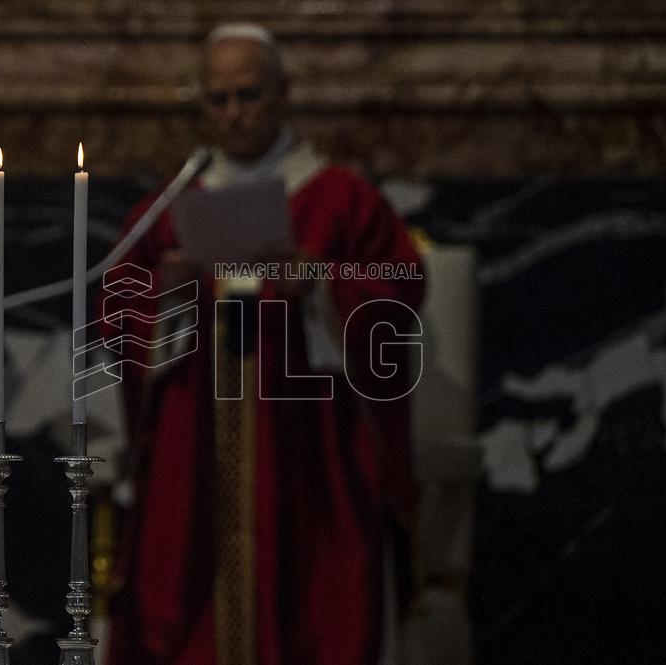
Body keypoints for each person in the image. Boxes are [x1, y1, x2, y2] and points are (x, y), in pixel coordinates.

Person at [103, 23, 425, 665]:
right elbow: (116, 303)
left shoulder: (340, 198)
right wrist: (166, 290)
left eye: (247, 95)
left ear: (283, 96)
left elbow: (401, 284)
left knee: (315, 591)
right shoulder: (171, 205)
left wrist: (322, 285)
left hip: (308, 438)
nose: (233, 114)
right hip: (192, 443)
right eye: (216, 100)